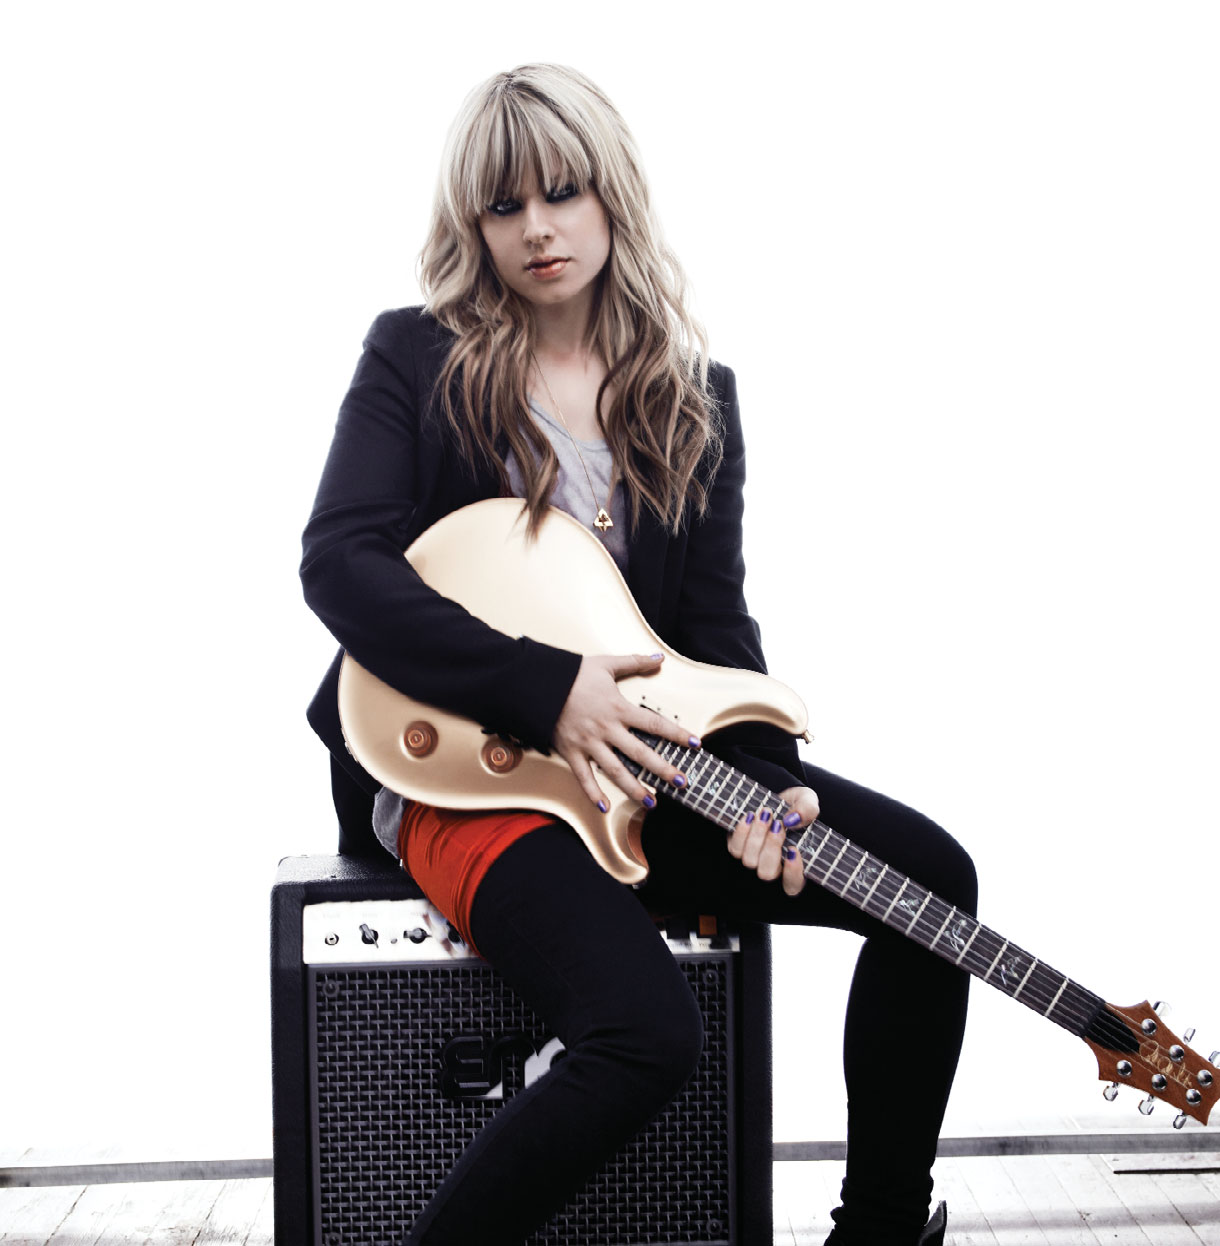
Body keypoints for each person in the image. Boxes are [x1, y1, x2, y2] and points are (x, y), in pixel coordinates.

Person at [301, 63, 977, 1246]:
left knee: (930, 887)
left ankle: (877, 1232)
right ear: (473, 225)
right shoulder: (415, 354)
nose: (536, 228)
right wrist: (544, 688)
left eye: (560, 193)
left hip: (639, 774)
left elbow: (710, 637)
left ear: (611, 193)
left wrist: (769, 789)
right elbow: (339, 562)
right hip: (460, 773)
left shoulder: (694, 397)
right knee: (643, 1034)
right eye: (503, 206)